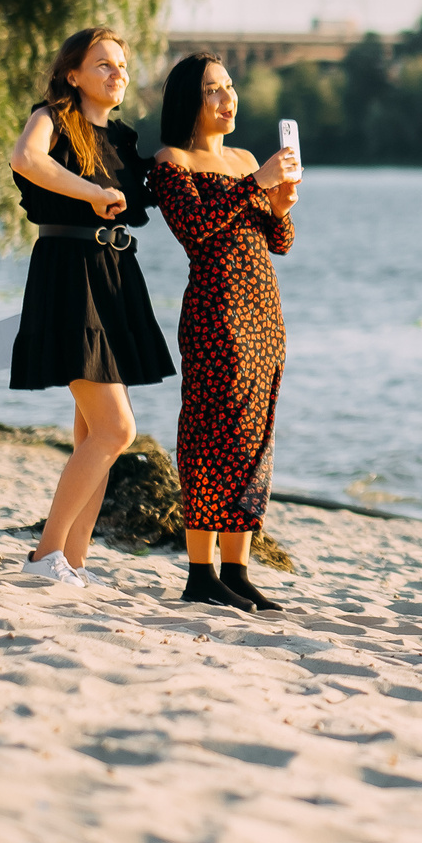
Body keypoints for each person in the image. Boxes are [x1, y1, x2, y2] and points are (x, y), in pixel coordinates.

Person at [8, 27, 177, 587]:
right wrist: (91, 192)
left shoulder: (123, 141)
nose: (116, 73)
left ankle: (73, 562)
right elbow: (26, 159)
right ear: (72, 73)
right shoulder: (51, 118)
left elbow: (167, 188)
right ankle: (45, 556)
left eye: (121, 65)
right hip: (68, 276)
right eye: (103, 63)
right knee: (116, 430)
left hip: (114, 279)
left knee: (93, 436)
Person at [148, 53, 298, 611]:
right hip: (217, 314)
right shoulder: (171, 163)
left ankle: (236, 570)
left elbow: (279, 242)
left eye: (230, 86)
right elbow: (198, 230)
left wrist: (279, 206)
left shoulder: (245, 159)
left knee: (255, 436)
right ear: (189, 99)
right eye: (213, 89)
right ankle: (199, 571)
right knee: (211, 433)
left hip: (264, 313)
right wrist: (256, 184)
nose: (227, 98)